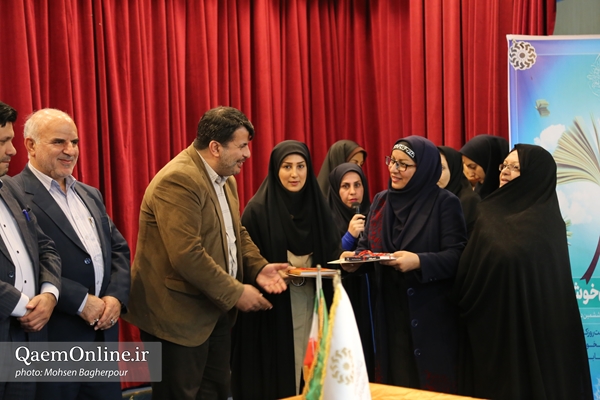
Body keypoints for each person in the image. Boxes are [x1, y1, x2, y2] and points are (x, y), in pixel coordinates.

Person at [124, 106, 288, 400]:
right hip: (175, 320)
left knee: (216, 393)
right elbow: (187, 254)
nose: (247, 154)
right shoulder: (179, 180)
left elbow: (235, 233)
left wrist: (258, 267)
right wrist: (236, 292)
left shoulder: (226, 178)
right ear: (215, 148)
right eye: (241, 146)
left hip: (213, 313)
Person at [454, 144, 592, 400]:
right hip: (494, 330)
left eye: (515, 167)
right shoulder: (487, 212)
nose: (505, 172)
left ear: (534, 174)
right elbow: (470, 269)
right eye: (504, 165)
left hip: (539, 333)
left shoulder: (548, 222)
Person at [12, 108, 130, 400]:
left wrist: (115, 298)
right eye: (59, 142)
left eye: (74, 142)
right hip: (53, 341)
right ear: (30, 145)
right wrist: (79, 301)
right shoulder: (13, 195)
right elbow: (25, 264)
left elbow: (118, 249)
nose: (70, 150)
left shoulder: (90, 194)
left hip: (102, 339)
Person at [342, 136, 467, 393]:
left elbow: (458, 256)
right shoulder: (381, 202)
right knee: (394, 386)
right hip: (389, 316)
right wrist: (354, 261)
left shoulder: (444, 203)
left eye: (404, 165)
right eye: (392, 161)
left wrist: (419, 261)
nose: (394, 169)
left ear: (423, 169)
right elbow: (367, 247)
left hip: (430, 316)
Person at [231, 140, 342, 399]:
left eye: (301, 166)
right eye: (287, 167)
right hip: (275, 310)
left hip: (315, 303)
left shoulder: (319, 208)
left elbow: (333, 253)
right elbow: (244, 262)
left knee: (315, 372)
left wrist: (342, 260)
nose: (295, 174)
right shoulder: (257, 211)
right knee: (281, 375)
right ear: (275, 169)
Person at [0, 101, 61, 400]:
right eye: (3, 141)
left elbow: (45, 246)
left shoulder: (9, 187)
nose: (12, 151)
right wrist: (24, 306)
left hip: (31, 339)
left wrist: (49, 295)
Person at [327, 162, 375, 378]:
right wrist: (349, 236)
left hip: (371, 297)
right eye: (345, 186)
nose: (353, 192)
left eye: (357, 185)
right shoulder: (327, 218)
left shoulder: (375, 214)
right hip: (341, 296)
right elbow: (327, 257)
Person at [437, 146, 480, 237]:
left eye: (441, 168)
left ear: (454, 168)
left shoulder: (468, 200)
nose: (435, 173)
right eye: (431, 167)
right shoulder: (427, 197)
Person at [459, 134, 508, 199]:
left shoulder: (510, 194)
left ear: (490, 162)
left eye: (473, 167)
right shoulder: (476, 194)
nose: (470, 174)